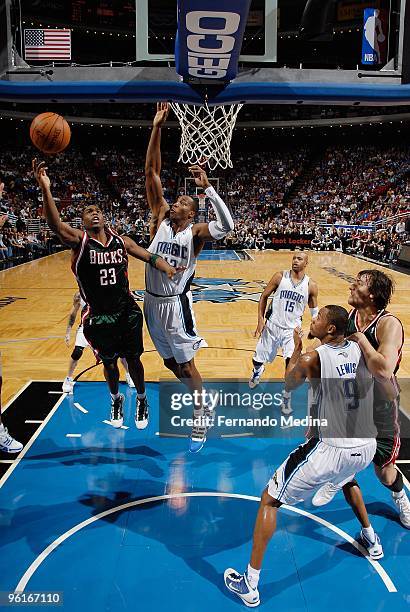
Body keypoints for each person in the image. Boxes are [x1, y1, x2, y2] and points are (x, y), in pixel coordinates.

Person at [225, 305, 382, 608]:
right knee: (347, 479)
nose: (313, 319)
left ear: (331, 329)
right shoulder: (361, 349)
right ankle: (371, 539)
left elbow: (289, 382)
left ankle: (250, 584)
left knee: (269, 498)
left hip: (333, 448)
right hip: (366, 444)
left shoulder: (314, 357)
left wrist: (297, 348)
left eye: (319, 317)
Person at [32, 158, 178, 430]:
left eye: (98, 209)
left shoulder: (121, 241)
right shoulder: (79, 241)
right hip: (98, 316)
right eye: (89, 211)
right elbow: (55, 225)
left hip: (127, 311)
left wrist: (167, 267)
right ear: (83, 221)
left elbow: (148, 255)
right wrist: (45, 189)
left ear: (105, 217)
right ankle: (115, 398)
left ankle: (143, 399)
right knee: (110, 365)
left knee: (133, 359)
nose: (94, 213)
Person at [145, 102, 234, 452]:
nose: (177, 201)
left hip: (176, 304)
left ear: (192, 211)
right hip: (151, 304)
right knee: (171, 364)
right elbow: (152, 172)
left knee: (186, 362)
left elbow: (227, 226)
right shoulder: (160, 219)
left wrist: (208, 188)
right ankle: (200, 397)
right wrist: (157, 127)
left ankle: (201, 411)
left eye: (183, 200)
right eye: (177, 199)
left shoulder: (195, 233)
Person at [312, 270, 410, 528]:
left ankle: (401, 497)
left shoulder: (388, 324)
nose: (351, 285)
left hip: (381, 406)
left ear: (373, 294)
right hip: (353, 404)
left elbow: (384, 369)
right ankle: (338, 478)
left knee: (385, 473)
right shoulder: (350, 316)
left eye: (359, 283)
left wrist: (361, 341)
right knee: (340, 455)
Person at [249, 252, 318, 415]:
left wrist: (312, 330)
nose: (295, 261)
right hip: (272, 326)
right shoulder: (280, 277)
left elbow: (315, 312)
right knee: (257, 360)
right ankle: (257, 371)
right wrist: (260, 320)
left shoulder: (311, 285)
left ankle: (286, 399)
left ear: (306, 263)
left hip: (292, 332)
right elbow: (264, 296)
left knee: (291, 368)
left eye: (299, 258)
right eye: (294, 258)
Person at [62, 292, 136, 393]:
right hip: (85, 327)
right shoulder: (80, 296)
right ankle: (68, 379)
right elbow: (72, 314)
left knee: (121, 353)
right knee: (77, 353)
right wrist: (68, 332)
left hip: (102, 328)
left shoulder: (103, 293)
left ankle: (129, 375)